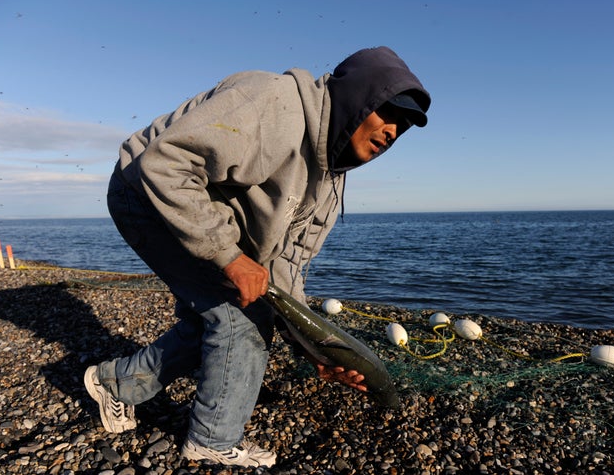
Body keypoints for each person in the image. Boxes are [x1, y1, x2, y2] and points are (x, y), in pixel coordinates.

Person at [84, 46, 431, 468]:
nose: (393, 131)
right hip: (144, 192)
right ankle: (211, 441)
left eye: (405, 126)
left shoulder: (329, 183)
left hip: (208, 210)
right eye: (388, 113)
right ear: (359, 97)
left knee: (218, 316)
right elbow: (166, 164)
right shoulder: (273, 103)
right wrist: (229, 256)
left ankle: (114, 384)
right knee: (239, 319)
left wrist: (314, 350)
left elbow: (286, 266)